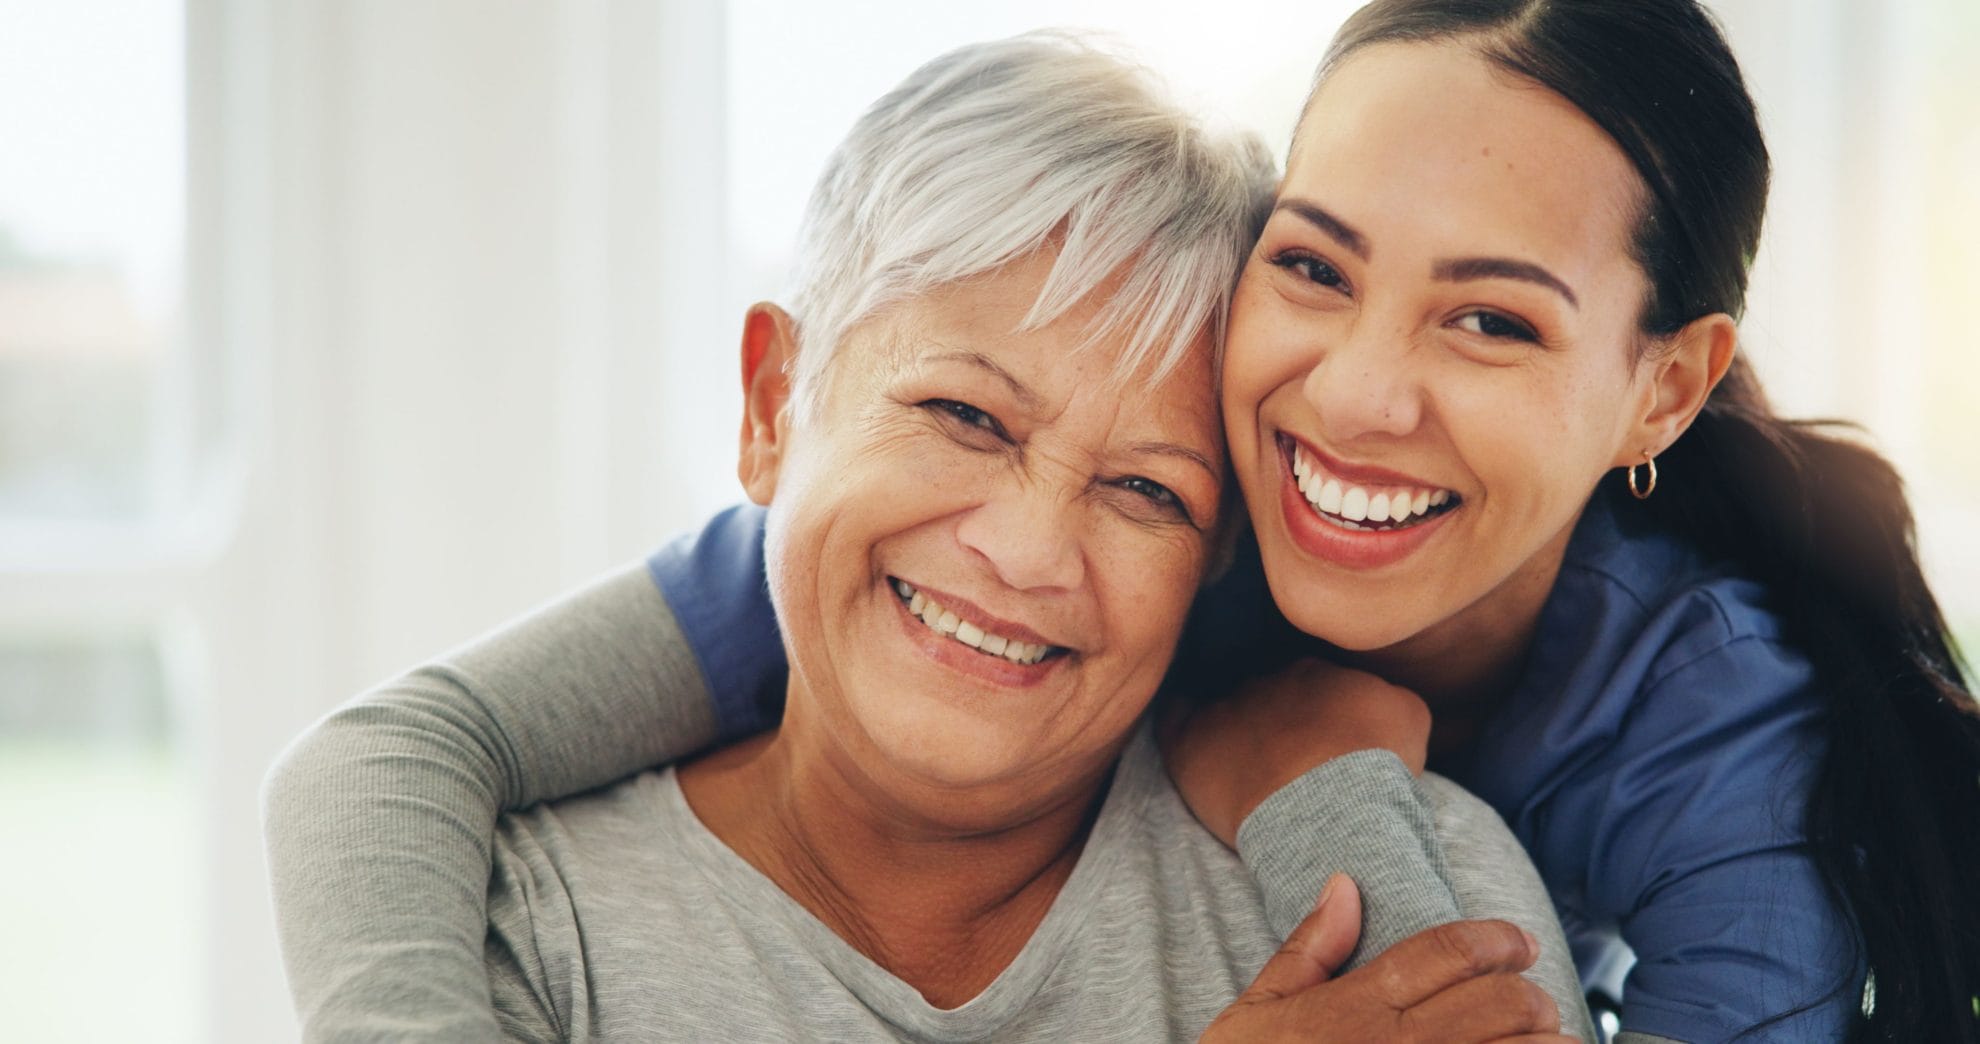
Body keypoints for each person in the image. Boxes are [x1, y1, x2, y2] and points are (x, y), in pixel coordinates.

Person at [268, 1, 1980, 1041]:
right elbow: (389, 754)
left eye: (1493, 317)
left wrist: (1331, 807)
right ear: (775, 403)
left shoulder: (1714, 768)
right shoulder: (889, 590)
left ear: (1665, 390)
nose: (1355, 396)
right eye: (1316, 267)